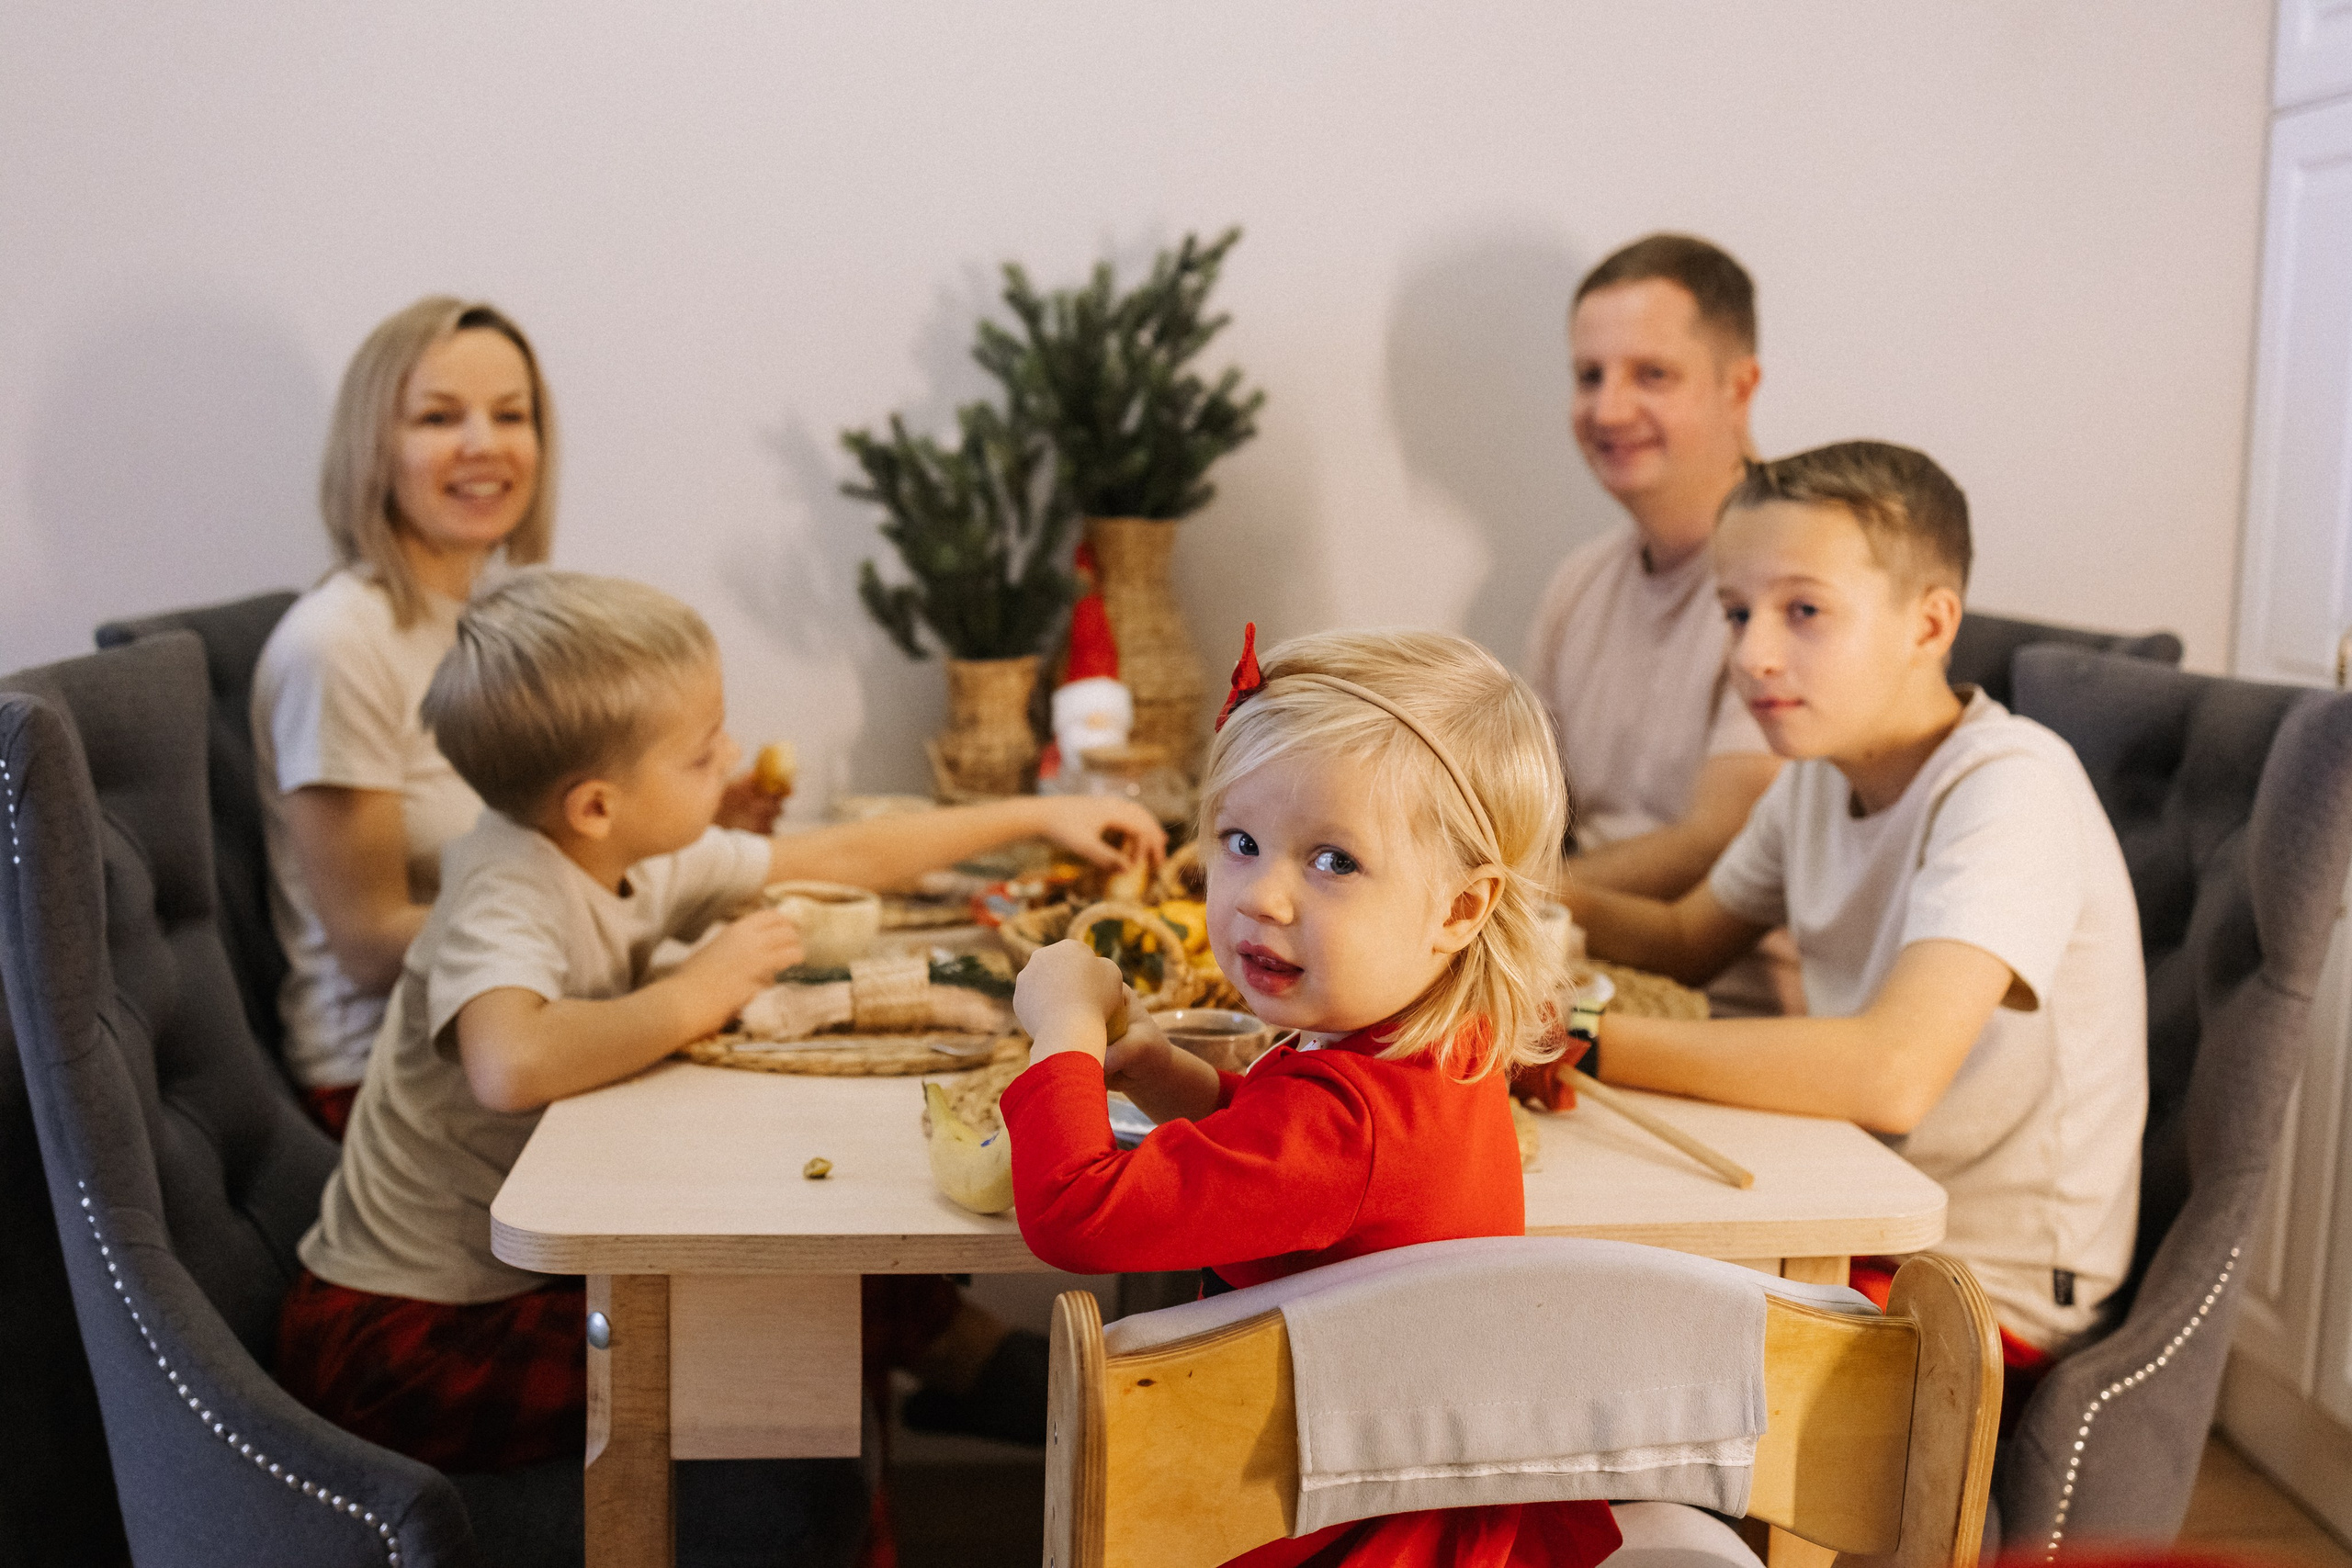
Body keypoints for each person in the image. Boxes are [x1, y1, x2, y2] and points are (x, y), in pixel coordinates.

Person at [274, 570, 1164, 1501]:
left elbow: (833, 856)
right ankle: (996, 1394)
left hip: (510, 1287)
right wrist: (700, 991)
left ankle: (989, 1377)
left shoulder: (620, 851)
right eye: (701, 755)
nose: (729, 756)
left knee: (840, 1293)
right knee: (801, 1334)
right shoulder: (506, 889)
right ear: (595, 804)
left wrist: (1037, 815)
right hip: (408, 1339)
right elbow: (509, 1061)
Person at [1002, 626, 1623, 1568]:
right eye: (1242, 843)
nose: (1264, 898)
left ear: (1460, 907)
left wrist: (1063, 1033)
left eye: (1332, 862)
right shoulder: (1440, 1045)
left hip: (1334, 1530)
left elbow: (1076, 1216)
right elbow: (1286, 1161)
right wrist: (1170, 1076)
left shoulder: (1345, 1128)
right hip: (1399, 1479)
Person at [1551, 442, 2147, 1419]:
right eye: (1735, 613)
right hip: (1862, 1213)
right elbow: (1683, 936)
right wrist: (1504, 892)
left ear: (1929, 623)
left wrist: (1575, 1035)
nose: (1752, 655)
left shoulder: (2010, 786)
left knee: (1586, 1329)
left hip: (1978, 1293)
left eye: (1803, 612)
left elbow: (1889, 1071)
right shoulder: (1821, 781)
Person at [251, 297, 787, 1136]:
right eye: (438, 417)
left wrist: (668, 822)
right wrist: (611, 921)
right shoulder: (338, 643)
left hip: (527, 1021)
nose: (483, 444)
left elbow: (539, 855)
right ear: (372, 448)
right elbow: (363, 943)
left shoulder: (494, 616)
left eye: (511, 415)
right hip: (391, 1083)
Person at [1523, 233, 1789, 1014]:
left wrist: (1481, 897)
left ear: (1738, 389)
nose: (1609, 409)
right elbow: (1525, 808)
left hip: (1735, 1016)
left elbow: (1715, 840)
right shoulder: (1581, 581)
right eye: (1589, 375)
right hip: (1571, 974)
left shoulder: (1794, 596)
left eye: (1653, 375)